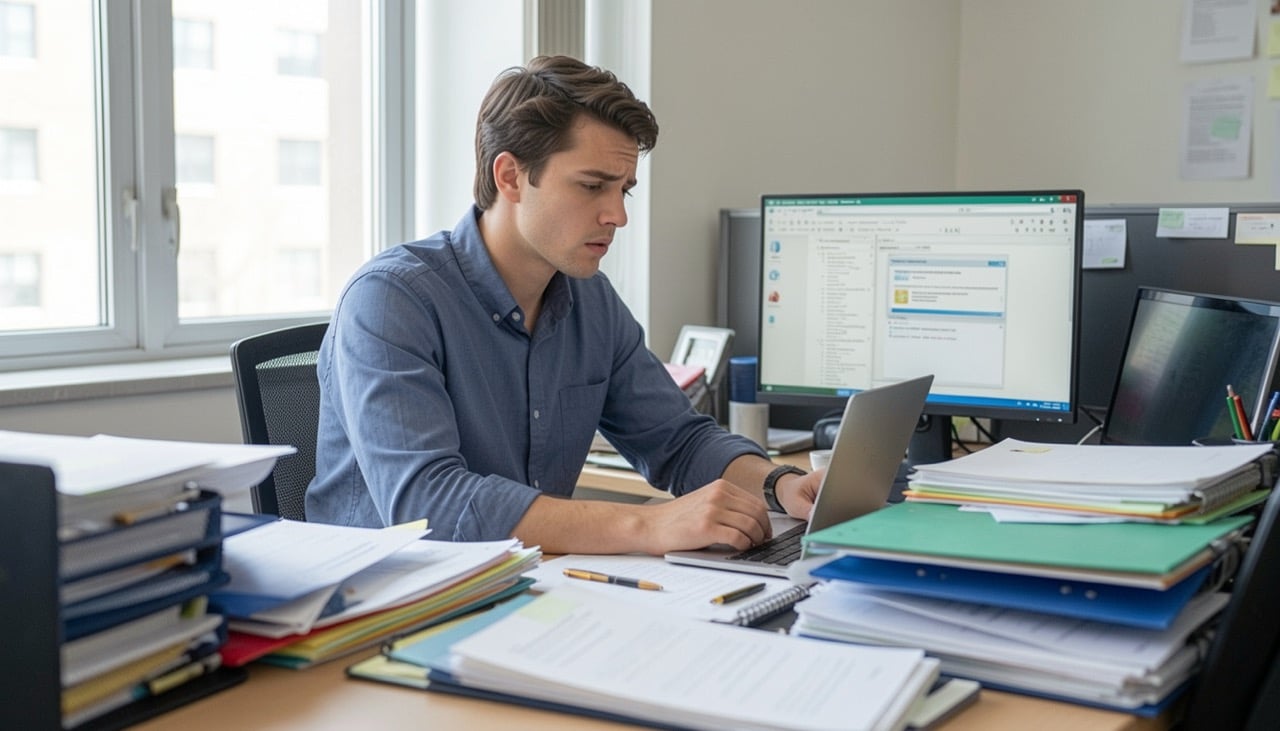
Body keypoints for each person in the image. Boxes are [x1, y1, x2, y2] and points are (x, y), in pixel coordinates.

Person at [307, 55, 822, 554]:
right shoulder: (391, 300)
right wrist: (645, 524)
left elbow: (678, 440)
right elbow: (427, 505)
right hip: (383, 605)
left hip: (523, 586)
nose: (617, 215)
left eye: (625, 190)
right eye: (592, 186)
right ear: (509, 176)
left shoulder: (589, 299)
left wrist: (778, 483)